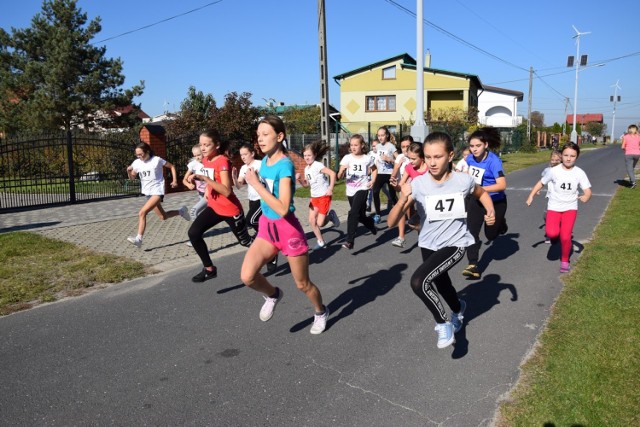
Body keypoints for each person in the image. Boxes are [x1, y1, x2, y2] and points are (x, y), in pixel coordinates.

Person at [388, 131, 495, 349]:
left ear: (450, 155)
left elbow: (481, 193)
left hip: (455, 244)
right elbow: (391, 223)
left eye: (437, 157)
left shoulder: (463, 181)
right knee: (442, 283)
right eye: (428, 157)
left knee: (419, 282)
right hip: (428, 243)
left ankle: (442, 323)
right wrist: (402, 199)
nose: (432, 162)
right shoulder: (418, 185)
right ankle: (458, 308)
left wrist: (490, 210)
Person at [240, 115, 329, 335]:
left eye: (265, 134)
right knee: (247, 276)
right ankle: (272, 294)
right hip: (267, 228)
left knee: (302, 284)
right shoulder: (264, 163)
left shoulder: (285, 166)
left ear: (279, 136)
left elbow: (282, 207)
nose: (260, 139)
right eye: (258, 135)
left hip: (287, 230)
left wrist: (256, 185)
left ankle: (320, 311)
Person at [186, 130, 252, 282]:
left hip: (230, 210)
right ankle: (209, 269)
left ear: (216, 145)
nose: (202, 148)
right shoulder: (205, 161)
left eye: (206, 145)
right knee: (194, 233)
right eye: (201, 144)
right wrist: (203, 186)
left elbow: (227, 191)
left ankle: (270, 252)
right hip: (214, 208)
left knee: (245, 242)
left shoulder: (222, 161)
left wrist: (204, 179)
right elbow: (211, 179)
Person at [526, 142, 592, 273]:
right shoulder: (553, 171)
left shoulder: (579, 173)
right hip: (554, 207)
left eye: (572, 156)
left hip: (570, 208)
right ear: (561, 155)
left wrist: (586, 196)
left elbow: (587, 190)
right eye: (566, 155)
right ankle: (556, 237)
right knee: (551, 233)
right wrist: (531, 195)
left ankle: (565, 260)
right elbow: (541, 183)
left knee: (566, 237)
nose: (568, 158)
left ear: (577, 157)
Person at [462, 127, 508, 279]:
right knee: (471, 230)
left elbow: (502, 185)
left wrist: (481, 189)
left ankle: (501, 223)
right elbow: (469, 174)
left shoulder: (493, 161)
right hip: (477, 201)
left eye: (478, 146)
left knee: (491, 235)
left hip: (496, 201)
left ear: (485, 145)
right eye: (472, 146)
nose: (474, 149)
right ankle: (473, 264)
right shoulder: (469, 158)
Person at [126, 142, 189, 248]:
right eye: (137, 155)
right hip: (148, 193)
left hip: (157, 191)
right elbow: (132, 178)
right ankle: (181, 211)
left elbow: (172, 166)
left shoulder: (157, 160)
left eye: (141, 154)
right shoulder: (136, 163)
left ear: (147, 152)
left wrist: (174, 180)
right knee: (163, 216)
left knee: (142, 212)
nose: (139, 157)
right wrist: (128, 172)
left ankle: (139, 239)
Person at [296, 140, 340, 251]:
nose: (307, 157)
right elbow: (307, 185)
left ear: (314, 155)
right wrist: (300, 180)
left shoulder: (317, 165)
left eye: (309, 155)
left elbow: (332, 173)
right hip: (314, 197)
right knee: (311, 220)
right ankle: (321, 241)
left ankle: (331, 216)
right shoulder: (306, 169)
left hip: (324, 195)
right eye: (305, 155)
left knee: (320, 223)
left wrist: (330, 188)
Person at [337, 134, 378, 250]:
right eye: (351, 145)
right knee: (360, 216)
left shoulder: (367, 158)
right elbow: (339, 175)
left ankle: (350, 240)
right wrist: (341, 172)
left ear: (362, 145)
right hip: (350, 190)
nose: (353, 147)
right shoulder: (347, 158)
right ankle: (370, 224)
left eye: (356, 145)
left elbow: (375, 170)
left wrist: (373, 181)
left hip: (363, 188)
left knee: (353, 212)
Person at [389, 140, 427, 247]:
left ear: (423, 158)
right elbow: (400, 186)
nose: (411, 161)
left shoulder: (429, 168)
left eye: (414, 159)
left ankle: (426, 234)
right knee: (409, 218)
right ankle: (402, 237)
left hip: (428, 199)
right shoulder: (409, 167)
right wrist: (396, 185)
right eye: (409, 158)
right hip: (414, 194)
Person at [232, 142, 264, 235]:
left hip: (261, 198)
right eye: (241, 155)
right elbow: (239, 186)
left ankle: (266, 234)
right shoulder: (243, 168)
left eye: (245, 154)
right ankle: (266, 239)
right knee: (258, 220)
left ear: (252, 154)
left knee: (250, 220)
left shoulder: (260, 164)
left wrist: (257, 177)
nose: (243, 157)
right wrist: (234, 177)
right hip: (252, 199)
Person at [370, 126, 398, 223]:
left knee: (392, 194)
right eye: (378, 135)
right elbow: (375, 157)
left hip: (390, 173)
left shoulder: (391, 146)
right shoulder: (377, 146)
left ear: (386, 135)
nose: (380, 137)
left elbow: (398, 160)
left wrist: (389, 160)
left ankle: (399, 210)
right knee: (375, 192)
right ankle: (378, 214)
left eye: (382, 135)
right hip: (380, 173)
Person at [541, 150, 562, 243]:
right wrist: (538, 189)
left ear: (561, 160)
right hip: (550, 197)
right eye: (552, 159)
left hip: (561, 198)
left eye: (557, 159)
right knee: (546, 215)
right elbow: (542, 181)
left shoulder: (563, 170)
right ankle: (551, 230)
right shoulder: (547, 170)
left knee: (558, 215)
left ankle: (553, 233)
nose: (554, 160)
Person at [182, 144, 208, 220]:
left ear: (203, 152)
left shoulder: (208, 162)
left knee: (194, 211)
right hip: (200, 192)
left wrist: (196, 175)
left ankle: (197, 228)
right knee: (202, 213)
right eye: (195, 155)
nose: (197, 157)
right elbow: (184, 179)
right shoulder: (193, 164)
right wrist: (188, 184)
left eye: (199, 155)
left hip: (209, 191)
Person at [621, 124, 640, 189]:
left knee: (629, 168)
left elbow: (622, 147)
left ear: (629, 129)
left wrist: (625, 149)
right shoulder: (638, 137)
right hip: (637, 154)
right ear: (636, 130)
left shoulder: (626, 137)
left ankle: (633, 182)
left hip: (629, 154)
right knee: (632, 168)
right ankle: (631, 181)